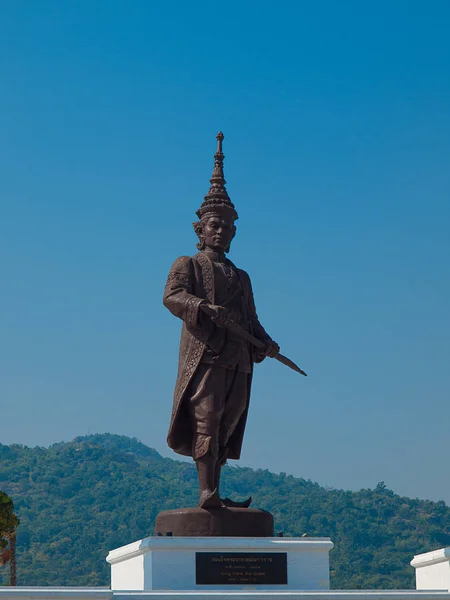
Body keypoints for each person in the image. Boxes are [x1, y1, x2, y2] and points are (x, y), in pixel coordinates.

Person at [163, 133, 279, 508]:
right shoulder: (188, 264)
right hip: (207, 356)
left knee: (230, 421)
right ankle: (205, 492)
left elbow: (252, 319)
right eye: (214, 225)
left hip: (238, 358)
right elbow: (172, 297)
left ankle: (216, 487)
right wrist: (202, 307)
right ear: (200, 229)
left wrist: (265, 341)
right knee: (207, 420)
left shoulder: (241, 276)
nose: (221, 231)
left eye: (227, 227)